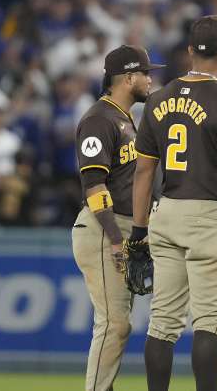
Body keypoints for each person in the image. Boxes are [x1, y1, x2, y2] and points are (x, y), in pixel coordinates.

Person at [130, 15, 217, 391]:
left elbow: (144, 172)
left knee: (162, 322)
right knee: (211, 320)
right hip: (210, 213)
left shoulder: (158, 100)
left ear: (191, 52)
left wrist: (139, 230)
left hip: (167, 211)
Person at [72, 45, 163, 391]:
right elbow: (94, 185)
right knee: (114, 324)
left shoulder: (124, 119)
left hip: (124, 227)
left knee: (118, 323)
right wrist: (114, 238)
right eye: (145, 72)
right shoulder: (99, 118)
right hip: (101, 228)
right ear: (127, 78)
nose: (150, 78)